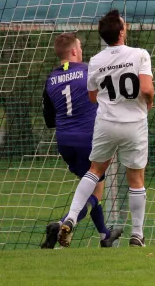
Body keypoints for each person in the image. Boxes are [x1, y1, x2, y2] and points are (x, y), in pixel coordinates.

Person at [58, 10, 155, 248]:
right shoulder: (140, 54)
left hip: (106, 124)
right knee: (136, 178)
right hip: (134, 124)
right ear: (121, 32)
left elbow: (92, 97)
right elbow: (147, 89)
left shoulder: (96, 61)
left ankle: (71, 216)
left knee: (94, 170)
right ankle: (137, 235)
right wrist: (149, 104)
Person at [41, 33, 122, 248]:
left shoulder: (50, 79)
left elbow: (49, 120)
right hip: (90, 138)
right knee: (96, 189)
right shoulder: (88, 71)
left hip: (65, 142)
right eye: (80, 47)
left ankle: (105, 235)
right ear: (75, 51)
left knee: (89, 186)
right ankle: (63, 224)